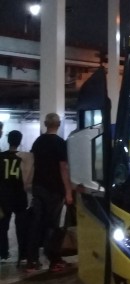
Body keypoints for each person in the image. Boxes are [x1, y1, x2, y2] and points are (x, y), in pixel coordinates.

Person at [26, 113, 73, 273]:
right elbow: (63, 169)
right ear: (58, 124)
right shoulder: (60, 143)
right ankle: (54, 259)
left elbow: (33, 164)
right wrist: (68, 191)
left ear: (45, 124)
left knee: (36, 224)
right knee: (54, 225)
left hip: (39, 188)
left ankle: (31, 261)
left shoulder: (38, 142)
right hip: (55, 190)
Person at [0, 130, 31, 265]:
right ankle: (22, 254)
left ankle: (3, 253)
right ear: (20, 141)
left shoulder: (0, 157)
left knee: (2, 226)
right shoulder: (25, 158)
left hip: (3, 197)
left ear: (8, 141)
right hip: (20, 195)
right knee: (22, 226)